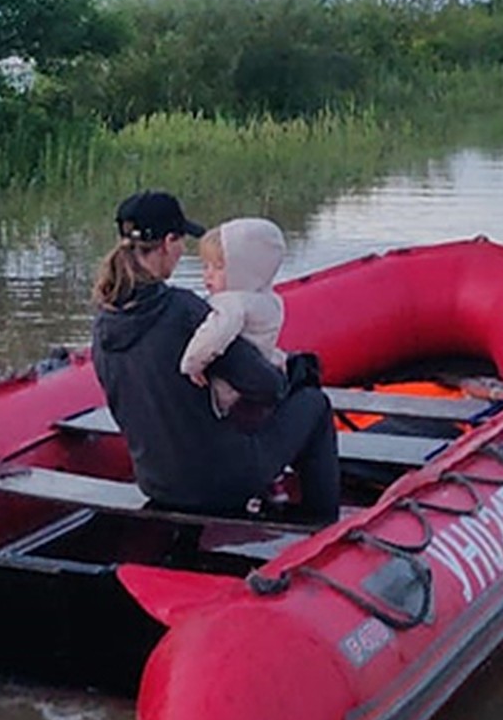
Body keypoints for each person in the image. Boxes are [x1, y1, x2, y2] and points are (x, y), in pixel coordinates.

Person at [91, 190, 339, 520]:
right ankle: (322, 525)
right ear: (168, 242)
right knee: (314, 404)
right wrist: (288, 371)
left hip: (155, 483)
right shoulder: (186, 313)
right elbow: (267, 387)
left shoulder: (103, 324)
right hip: (225, 482)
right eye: (181, 243)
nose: (183, 253)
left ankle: (183, 542)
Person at [180, 218, 287, 418]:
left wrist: (191, 364)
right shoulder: (270, 300)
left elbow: (213, 336)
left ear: (246, 269)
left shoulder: (231, 303)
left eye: (218, 268)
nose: (208, 275)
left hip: (229, 397)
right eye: (206, 266)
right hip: (255, 390)